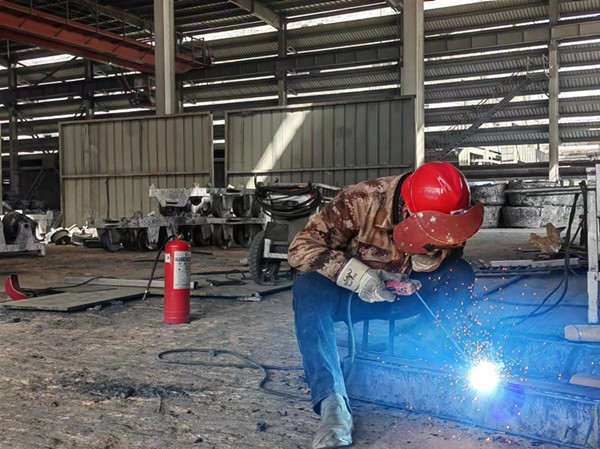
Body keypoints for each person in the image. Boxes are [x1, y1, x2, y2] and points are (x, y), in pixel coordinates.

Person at [287, 162, 484, 449]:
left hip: (407, 293)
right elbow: (300, 248)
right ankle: (333, 403)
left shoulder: (452, 213)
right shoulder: (360, 200)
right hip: (355, 296)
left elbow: (450, 255)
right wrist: (359, 276)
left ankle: (437, 352)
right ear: (407, 211)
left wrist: (430, 259)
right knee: (307, 288)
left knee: (459, 274)